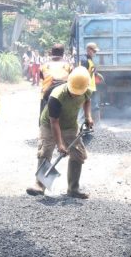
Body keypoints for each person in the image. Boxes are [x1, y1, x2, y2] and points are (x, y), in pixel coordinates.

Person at [27, 67, 94, 199]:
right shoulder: (56, 97)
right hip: (49, 124)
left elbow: (87, 100)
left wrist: (88, 117)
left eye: (78, 92)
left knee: (78, 154)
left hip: (70, 125)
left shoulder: (85, 90)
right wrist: (60, 145)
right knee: (45, 151)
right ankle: (39, 185)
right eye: (74, 92)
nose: (76, 94)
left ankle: (73, 189)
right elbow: (54, 123)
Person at [40, 43, 73, 116]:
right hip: (63, 95)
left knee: (43, 120)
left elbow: (42, 77)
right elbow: (71, 78)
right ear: (63, 53)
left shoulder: (44, 65)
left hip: (47, 95)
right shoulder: (68, 65)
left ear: (51, 53)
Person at [78, 42, 102, 122]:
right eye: (94, 51)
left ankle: (94, 124)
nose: (95, 53)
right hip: (86, 88)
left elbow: (91, 70)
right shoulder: (84, 60)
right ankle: (79, 125)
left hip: (91, 88)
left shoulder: (89, 59)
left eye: (95, 51)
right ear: (88, 50)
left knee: (94, 106)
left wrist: (96, 73)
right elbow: (82, 75)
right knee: (82, 107)